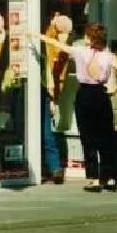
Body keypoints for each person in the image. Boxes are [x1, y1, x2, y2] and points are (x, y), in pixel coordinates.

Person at [30, 21, 117, 192]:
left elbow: (56, 44)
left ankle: (93, 179)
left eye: (87, 35)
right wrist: (113, 90)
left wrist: (37, 35)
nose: (84, 38)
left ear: (92, 38)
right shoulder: (108, 56)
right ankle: (110, 177)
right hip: (101, 95)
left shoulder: (81, 51)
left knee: (88, 137)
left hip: (84, 94)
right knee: (106, 136)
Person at [41, 13, 73, 185]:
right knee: (42, 131)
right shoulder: (48, 43)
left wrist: (54, 98)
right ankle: (50, 167)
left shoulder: (60, 49)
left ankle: (54, 168)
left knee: (47, 131)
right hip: (40, 88)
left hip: (46, 90)